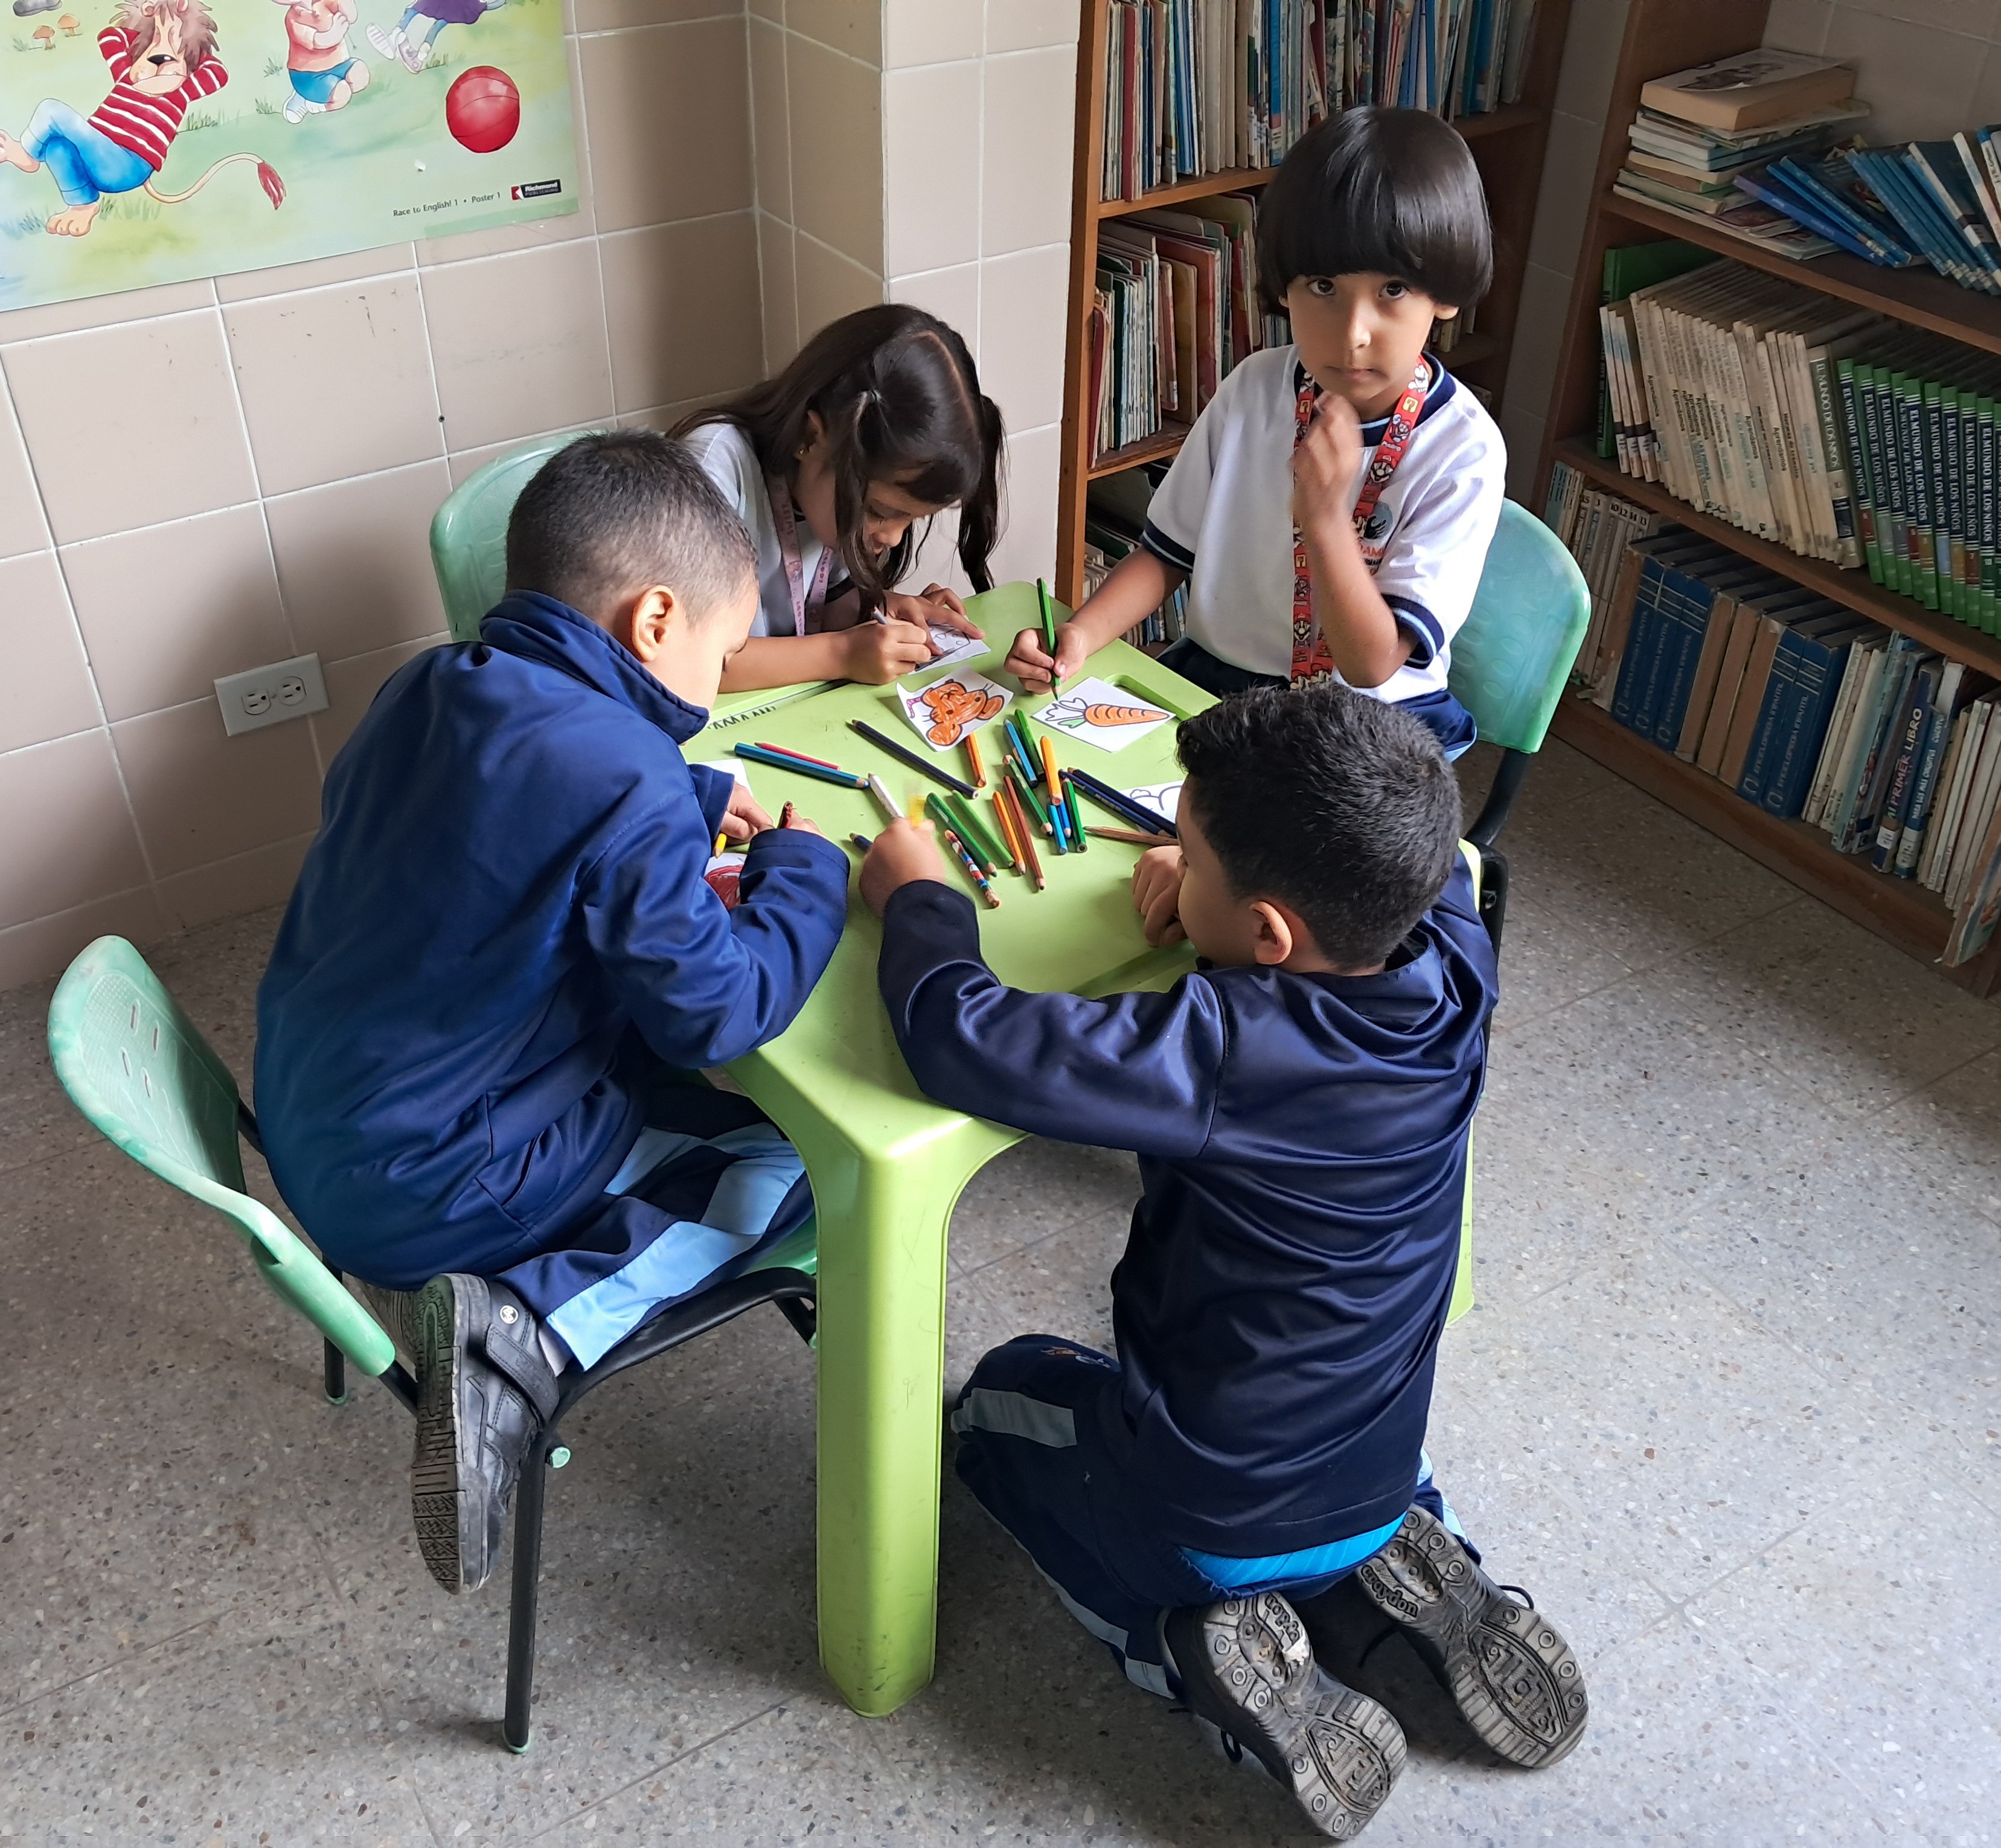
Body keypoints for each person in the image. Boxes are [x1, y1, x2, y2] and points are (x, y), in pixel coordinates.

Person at [858, 684, 1586, 1838]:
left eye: (1186, 854)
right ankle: (1399, 1555)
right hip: (1379, 1464)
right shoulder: (1455, 968)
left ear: (1269, 937)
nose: (1170, 860)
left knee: (1000, 1398)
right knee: (1326, 1433)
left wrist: (919, 899)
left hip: (1207, 1509)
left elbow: (961, 1039)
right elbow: (1434, 861)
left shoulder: (1222, 1049)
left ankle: (1179, 1646)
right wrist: (1207, 890)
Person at [255, 432, 853, 1596]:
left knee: (648, 1074)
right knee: (807, 1168)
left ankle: (528, 1288)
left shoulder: (424, 685)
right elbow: (716, 1016)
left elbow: (507, 801)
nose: (722, 678)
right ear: (656, 620)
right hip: (431, 1190)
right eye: (725, 650)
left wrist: (691, 796)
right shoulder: (624, 778)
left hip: (310, 1122)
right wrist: (805, 878)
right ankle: (519, 1336)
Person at [1007, 108, 1503, 757]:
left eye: (1392, 290)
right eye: (1323, 286)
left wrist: (1323, 517)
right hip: (1221, 684)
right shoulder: (1255, 387)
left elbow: (1371, 665)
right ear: (1284, 290)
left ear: (1445, 294)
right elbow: (1165, 554)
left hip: (1369, 722)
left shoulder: (1462, 451)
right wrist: (1079, 636)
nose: (1353, 332)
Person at [675, 303, 1007, 693]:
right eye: (879, 512)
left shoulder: (823, 487)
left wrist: (876, 611)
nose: (893, 538)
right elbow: (686, 660)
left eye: (911, 520)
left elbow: (818, 606)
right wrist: (842, 653)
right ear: (812, 437)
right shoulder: (709, 472)